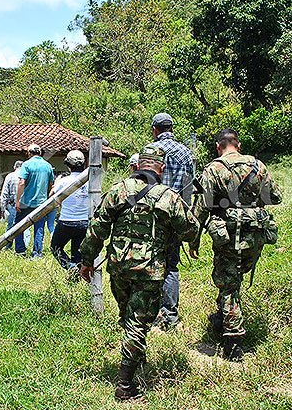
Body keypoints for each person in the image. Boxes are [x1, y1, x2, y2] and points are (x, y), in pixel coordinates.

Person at [80, 146, 200, 401]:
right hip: (149, 270)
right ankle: (124, 385)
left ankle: (136, 356)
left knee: (127, 315)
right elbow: (190, 229)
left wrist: (87, 260)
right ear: (162, 169)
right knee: (137, 322)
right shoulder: (168, 196)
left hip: (119, 268)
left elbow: (96, 229)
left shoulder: (117, 190)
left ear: (136, 167)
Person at [193, 128, 282, 361]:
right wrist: (250, 201)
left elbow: (202, 207)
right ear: (238, 145)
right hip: (255, 236)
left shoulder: (214, 169)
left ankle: (233, 343)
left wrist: (192, 238)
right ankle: (223, 318)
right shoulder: (258, 166)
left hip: (229, 236)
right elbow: (275, 197)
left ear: (218, 146)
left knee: (229, 284)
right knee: (233, 279)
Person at [148, 112, 195, 330]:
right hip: (177, 215)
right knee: (171, 265)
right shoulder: (187, 153)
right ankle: (170, 315)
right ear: (172, 129)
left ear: (155, 130)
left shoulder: (150, 151)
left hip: (153, 216)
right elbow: (189, 189)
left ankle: (151, 311)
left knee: (150, 263)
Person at [49, 150, 89, 279]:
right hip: (84, 222)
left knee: (55, 247)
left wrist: (56, 183)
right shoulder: (90, 181)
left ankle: (70, 267)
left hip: (66, 221)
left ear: (68, 166)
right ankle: (75, 273)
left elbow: (51, 196)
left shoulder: (64, 181)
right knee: (77, 253)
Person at [15, 143, 55, 258]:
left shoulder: (26, 164)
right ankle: (37, 253)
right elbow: (51, 184)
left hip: (26, 202)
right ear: (40, 153)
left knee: (18, 226)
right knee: (39, 227)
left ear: (29, 153)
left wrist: (18, 200)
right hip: (41, 203)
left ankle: (20, 249)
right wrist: (46, 196)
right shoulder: (47, 165)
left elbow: (22, 182)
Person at [0, 160, 30, 249]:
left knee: (11, 226)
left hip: (12, 205)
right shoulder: (26, 176)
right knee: (26, 226)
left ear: (14, 167)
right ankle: (26, 245)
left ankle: (7, 245)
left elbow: (4, 193)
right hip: (25, 204)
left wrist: (3, 207)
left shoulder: (10, 176)